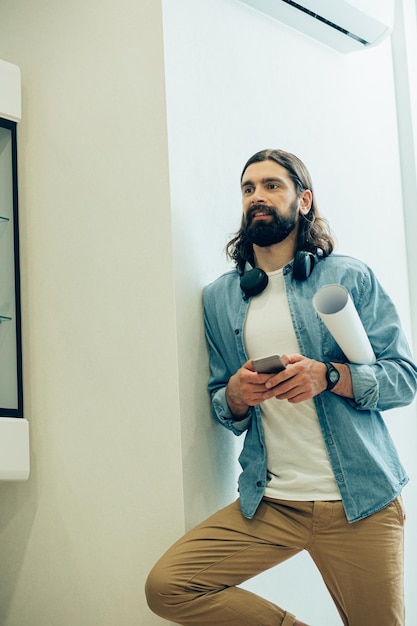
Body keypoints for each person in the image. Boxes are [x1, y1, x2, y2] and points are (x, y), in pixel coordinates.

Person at [145, 149, 417, 626]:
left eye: (272, 185)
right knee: (169, 587)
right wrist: (235, 394)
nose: (257, 197)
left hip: (362, 500)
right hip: (272, 504)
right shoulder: (220, 297)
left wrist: (328, 376)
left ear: (304, 201)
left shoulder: (348, 277)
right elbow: (220, 399)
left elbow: (405, 378)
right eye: (249, 188)